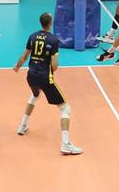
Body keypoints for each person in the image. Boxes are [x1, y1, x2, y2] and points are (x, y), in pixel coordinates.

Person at [13, 12, 81, 155]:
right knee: (65, 108)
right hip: (45, 78)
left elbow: (24, 56)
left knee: (35, 95)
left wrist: (17, 66)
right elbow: (55, 65)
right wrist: (46, 74)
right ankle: (66, 144)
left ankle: (22, 126)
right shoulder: (54, 40)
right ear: (50, 23)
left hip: (31, 76)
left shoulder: (32, 36)